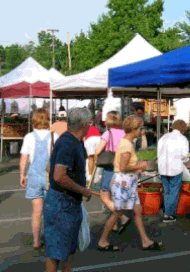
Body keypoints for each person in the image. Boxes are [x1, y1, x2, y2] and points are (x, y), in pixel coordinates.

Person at [97, 115, 164, 252]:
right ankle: (102, 241)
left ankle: (145, 241)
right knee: (117, 212)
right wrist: (141, 166)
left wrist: (137, 166)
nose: (141, 132)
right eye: (140, 129)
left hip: (127, 182)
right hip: (124, 182)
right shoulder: (127, 144)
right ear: (134, 129)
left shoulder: (126, 142)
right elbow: (123, 167)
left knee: (137, 211)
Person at [43, 108, 92, 272]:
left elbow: (51, 166)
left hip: (68, 203)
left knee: (69, 250)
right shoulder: (67, 142)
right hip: (61, 203)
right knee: (56, 253)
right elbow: (58, 175)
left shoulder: (74, 141)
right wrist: (82, 190)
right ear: (84, 125)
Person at [19, 109, 57, 250]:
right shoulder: (55, 136)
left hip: (34, 175)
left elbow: (24, 157)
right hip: (49, 177)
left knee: (36, 211)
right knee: (51, 210)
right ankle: (51, 238)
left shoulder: (29, 137)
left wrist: (22, 175)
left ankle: (36, 240)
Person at [94, 111, 131, 234]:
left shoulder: (107, 133)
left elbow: (98, 150)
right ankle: (114, 226)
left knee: (104, 195)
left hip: (110, 167)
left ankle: (122, 217)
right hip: (122, 168)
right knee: (114, 196)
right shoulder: (124, 134)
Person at [157, 120, 190, 223]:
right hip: (175, 168)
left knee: (166, 191)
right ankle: (169, 215)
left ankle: (167, 212)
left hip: (162, 168)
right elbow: (185, 156)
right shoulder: (182, 139)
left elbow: (158, 152)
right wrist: (185, 161)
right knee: (174, 192)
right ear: (183, 129)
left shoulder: (163, 137)